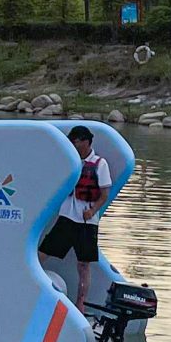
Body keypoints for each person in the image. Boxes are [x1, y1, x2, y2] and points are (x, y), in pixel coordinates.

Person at [38, 125, 110, 307]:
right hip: (66, 218)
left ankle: (81, 302)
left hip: (87, 221)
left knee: (84, 264)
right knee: (42, 254)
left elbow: (104, 194)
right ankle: (34, 287)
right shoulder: (69, 162)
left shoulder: (100, 164)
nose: (72, 145)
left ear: (85, 142)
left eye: (75, 141)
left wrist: (92, 210)